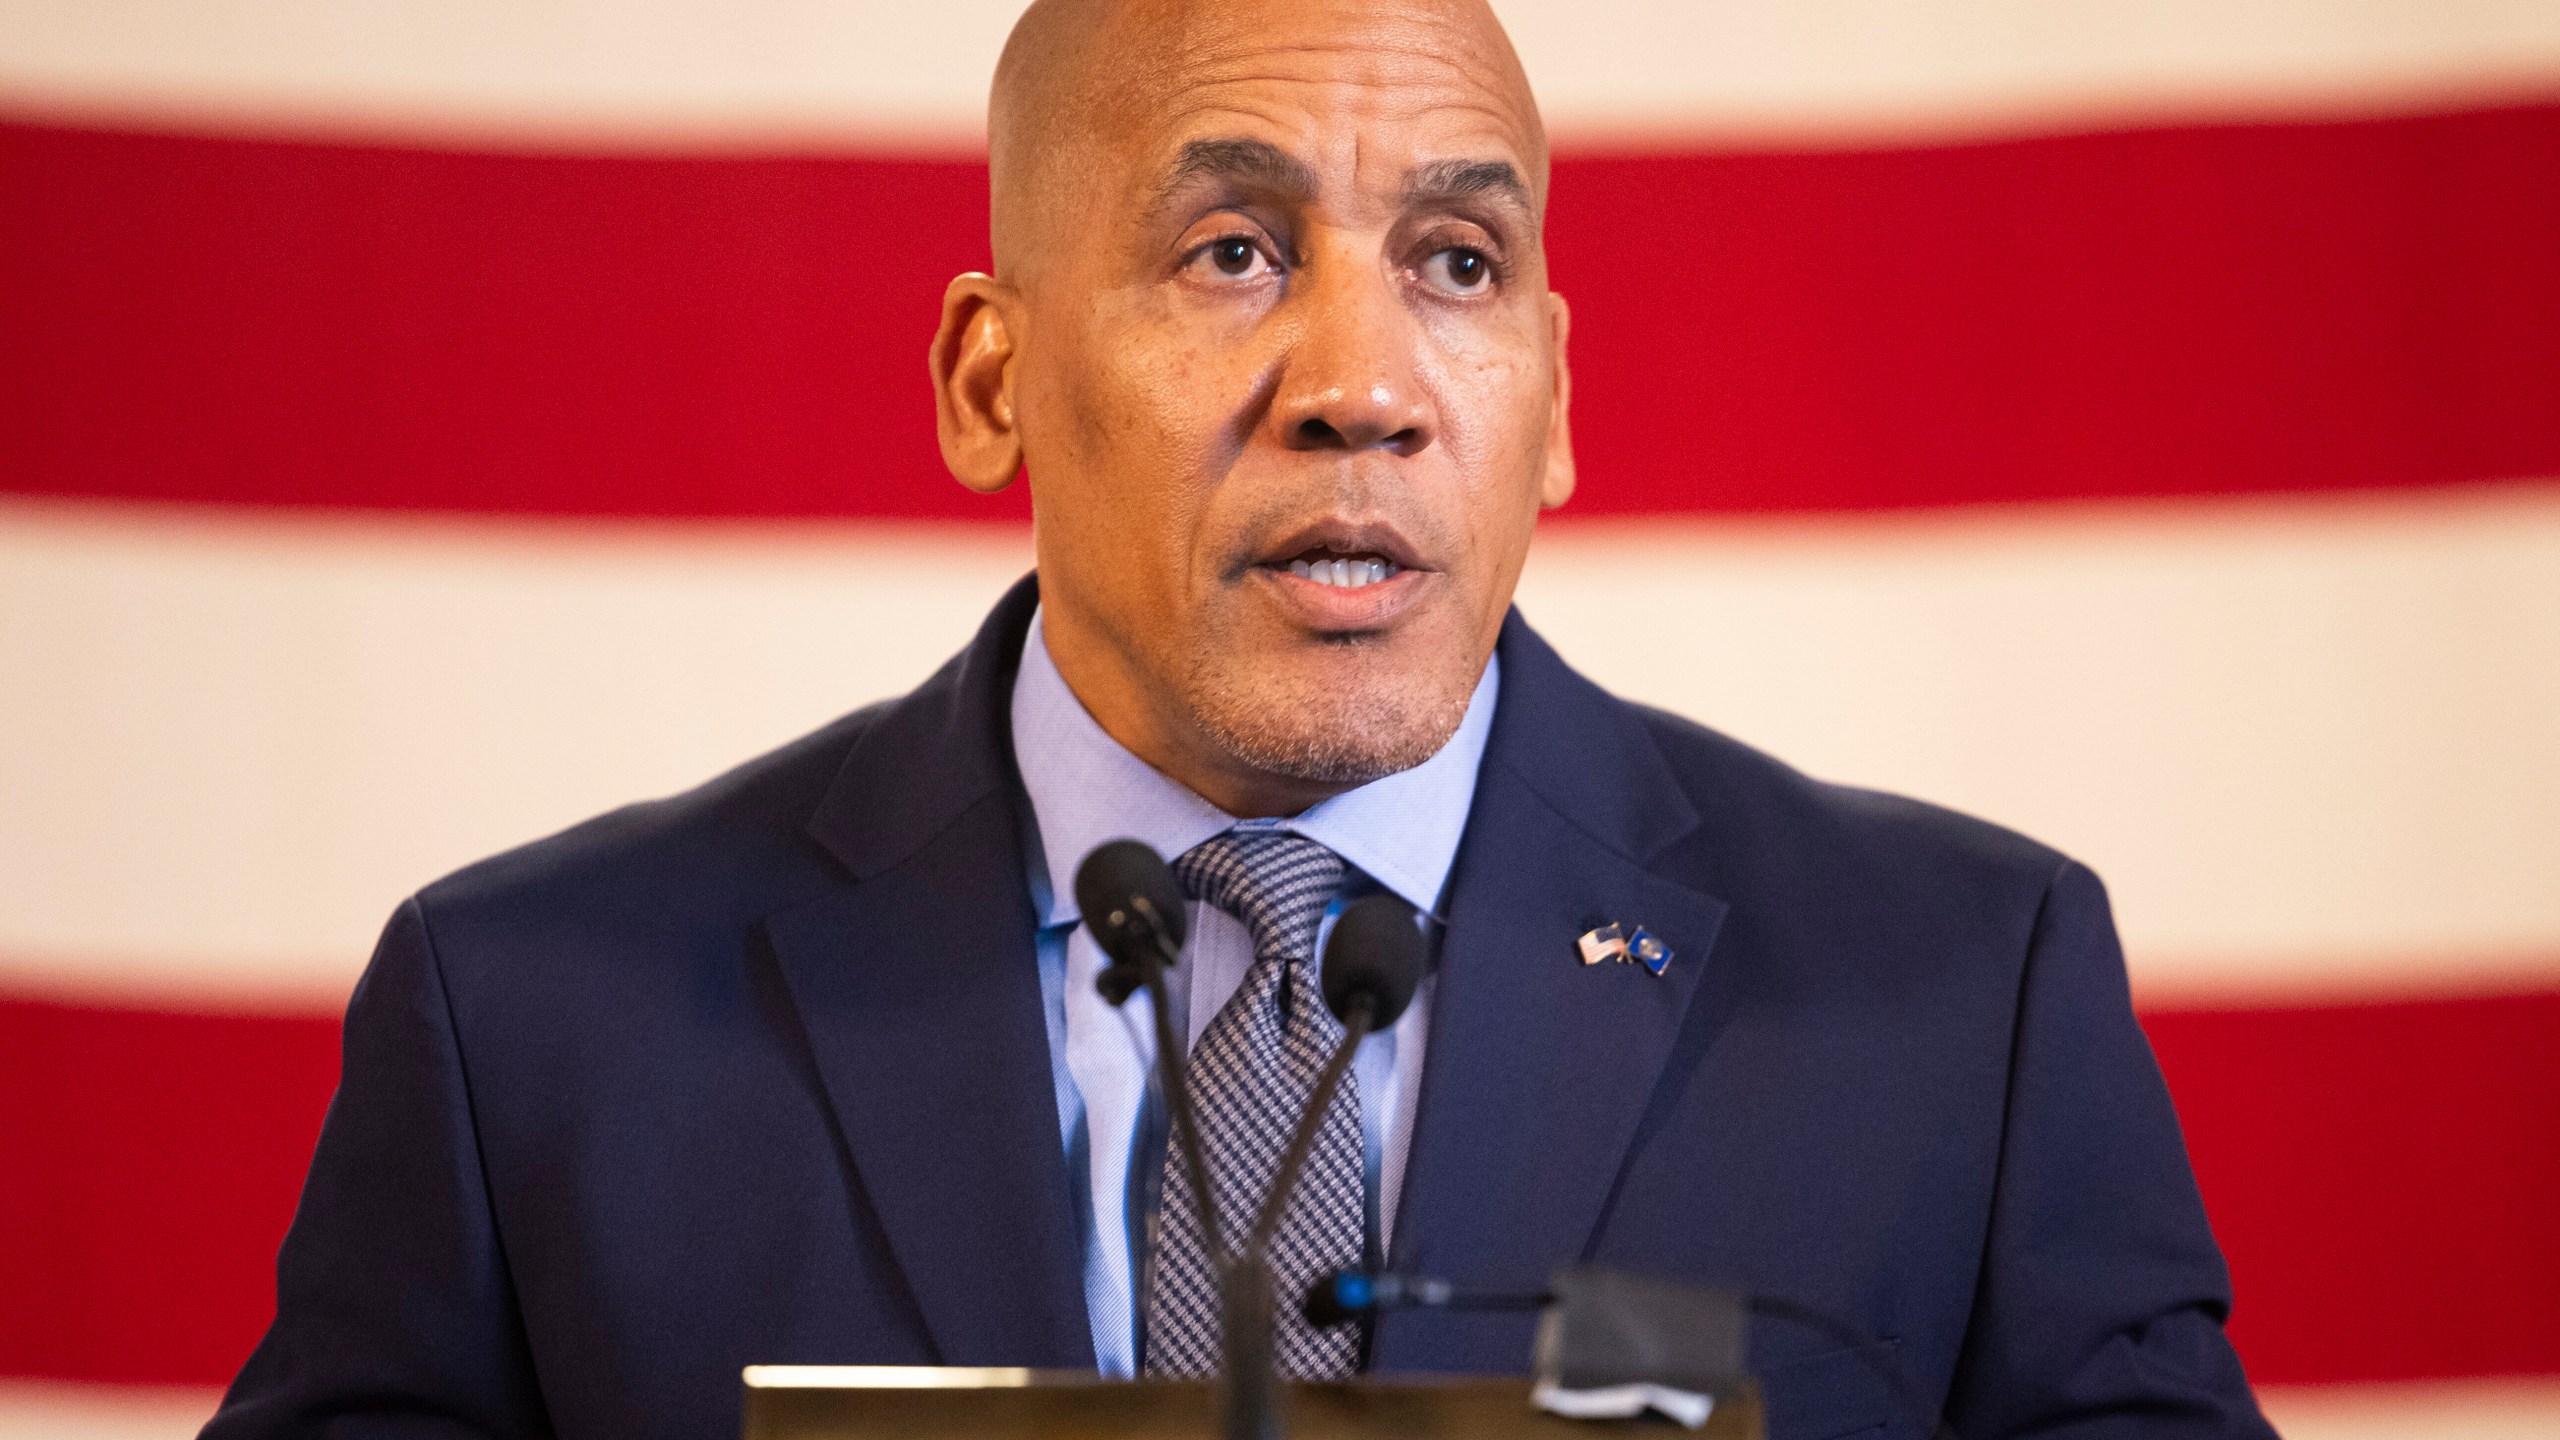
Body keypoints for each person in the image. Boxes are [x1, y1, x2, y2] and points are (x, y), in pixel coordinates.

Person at [203, 0, 2277, 1436]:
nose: (1362, 380)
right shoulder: (533, 1028)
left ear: (1550, 401)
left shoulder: (1958, 1001)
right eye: (1229, 248)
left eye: (1455, 262)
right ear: (988, 381)